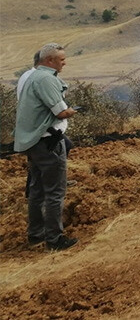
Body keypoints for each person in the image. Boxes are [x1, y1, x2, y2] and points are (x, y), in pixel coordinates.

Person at [14, 43, 79, 251]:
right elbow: (60, 112)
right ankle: (54, 240)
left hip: (34, 141)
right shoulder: (46, 79)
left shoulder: (32, 76)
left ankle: (36, 235)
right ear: (50, 60)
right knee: (55, 192)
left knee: (37, 190)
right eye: (61, 59)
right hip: (49, 142)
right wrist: (73, 110)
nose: (64, 63)